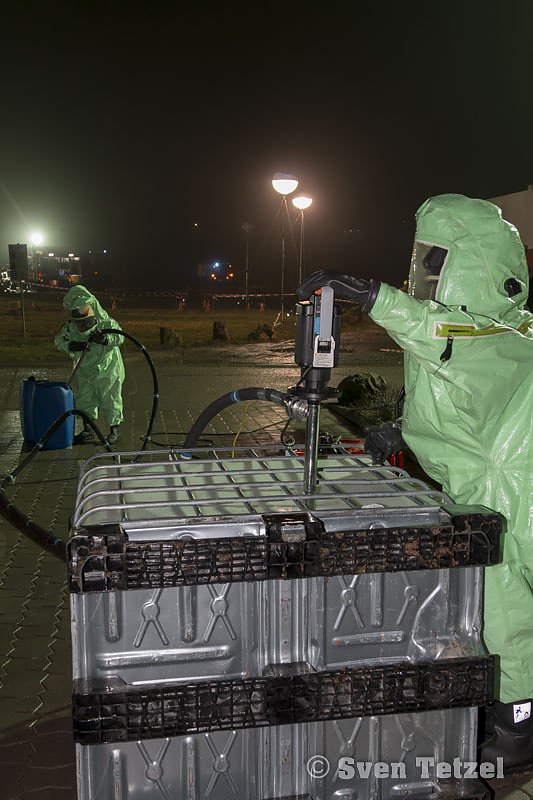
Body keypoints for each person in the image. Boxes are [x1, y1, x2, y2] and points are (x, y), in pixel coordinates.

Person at [297, 193, 533, 773]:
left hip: (510, 494)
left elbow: (451, 345)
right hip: (478, 486)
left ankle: (520, 726)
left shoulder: (494, 333)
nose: (427, 272)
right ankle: (496, 700)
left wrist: (377, 297)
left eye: (438, 259)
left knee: (505, 611)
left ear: (476, 263)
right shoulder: (469, 332)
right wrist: (403, 432)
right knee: (485, 606)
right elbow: (458, 402)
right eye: (424, 257)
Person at [55, 284, 125, 444]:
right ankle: (88, 430)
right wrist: (71, 345)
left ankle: (114, 431)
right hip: (84, 370)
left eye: (86, 319)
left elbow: (120, 337)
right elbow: (59, 341)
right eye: (79, 321)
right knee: (85, 399)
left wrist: (106, 339)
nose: (83, 324)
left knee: (110, 398)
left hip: (108, 369)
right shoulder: (70, 328)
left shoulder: (106, 324)